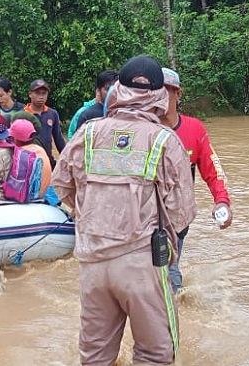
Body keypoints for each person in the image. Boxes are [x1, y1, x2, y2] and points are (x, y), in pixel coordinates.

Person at [51, 55, 197, 366]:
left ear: (118, 89)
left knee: (95, 355)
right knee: (155, 353)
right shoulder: (164, 140)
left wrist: (91, 213)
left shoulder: (88, 133)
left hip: (91, 261)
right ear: (159, 95)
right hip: (142, 263)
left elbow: (61, 184)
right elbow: (182, 212)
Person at [161, 67, 233, 294]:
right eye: (154, 92)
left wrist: (222, 201)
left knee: (168, 271)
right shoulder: (142, 129)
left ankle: (178, 305)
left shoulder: (194, 129)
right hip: (144, 217)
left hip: (177, 218)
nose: (159, 98)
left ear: (178, 94)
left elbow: (213, 170)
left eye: (165, 92)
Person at [24, 79, 66, 168]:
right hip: (28, 162)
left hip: (48, 161)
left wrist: (67, 158)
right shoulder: (23, 114)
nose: (41, 97)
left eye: (44, 93)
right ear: (30, 94)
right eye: (37, 93)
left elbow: (58, 139)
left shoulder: (52, 114)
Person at [8, 118, 52, 199]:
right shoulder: (40, 149)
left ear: (15, 138)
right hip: (45, 195)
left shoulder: (20, 154)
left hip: (30, 198)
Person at [68, 70, 118, 138]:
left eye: (115, 89)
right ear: (98, 90)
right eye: (108, 89)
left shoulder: (123, 113)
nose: (112, 92)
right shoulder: (87, 115)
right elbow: (75, 140)